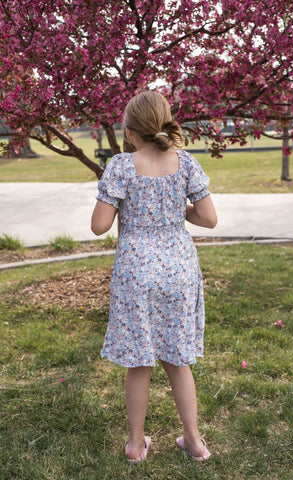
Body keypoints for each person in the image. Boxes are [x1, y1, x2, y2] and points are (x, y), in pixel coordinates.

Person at [91, 91, 217, 463]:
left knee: (138, 360)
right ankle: (194, 441)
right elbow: (209, 218)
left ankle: (134, 445)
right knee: (178, 359)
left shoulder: (121, 166)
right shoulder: (186, 162)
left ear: (130, 132)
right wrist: (178, 209)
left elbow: (99, 225)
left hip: (136, 270)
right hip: (179, 268)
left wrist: (120, 205)